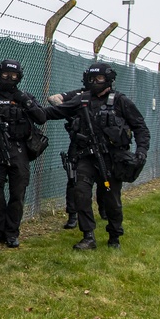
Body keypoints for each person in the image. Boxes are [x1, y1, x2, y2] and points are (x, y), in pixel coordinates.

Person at [43, 62, 150, 250]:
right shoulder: (82, 99)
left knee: (112, 200)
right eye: (91, 79)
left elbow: (140, 128)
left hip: (112, 159)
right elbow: (55, 111)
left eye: (99, 79)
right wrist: (29, 109)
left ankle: (114, 235)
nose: (94, 82)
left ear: (108, 80)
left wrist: (141, 151)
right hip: (87, 157)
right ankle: (88, 236)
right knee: (81, 192)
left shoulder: (120, 101)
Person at [0, 59, 47, 248]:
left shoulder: (25, 97)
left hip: (19, 151)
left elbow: (41, 117)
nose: (9, 78)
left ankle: (12, 232)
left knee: (17, 193)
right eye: (5, 75)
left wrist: (25, 101)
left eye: (13, 75)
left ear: (19, 77)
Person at [47, 89, 108, 228]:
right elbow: (53, 98)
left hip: (100, 144)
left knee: (103, 176)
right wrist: (74, 116)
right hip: (79, 144)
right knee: (73, 179)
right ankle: (73, 215)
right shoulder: (80, 95)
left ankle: (104, 210)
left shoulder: (111, 98)